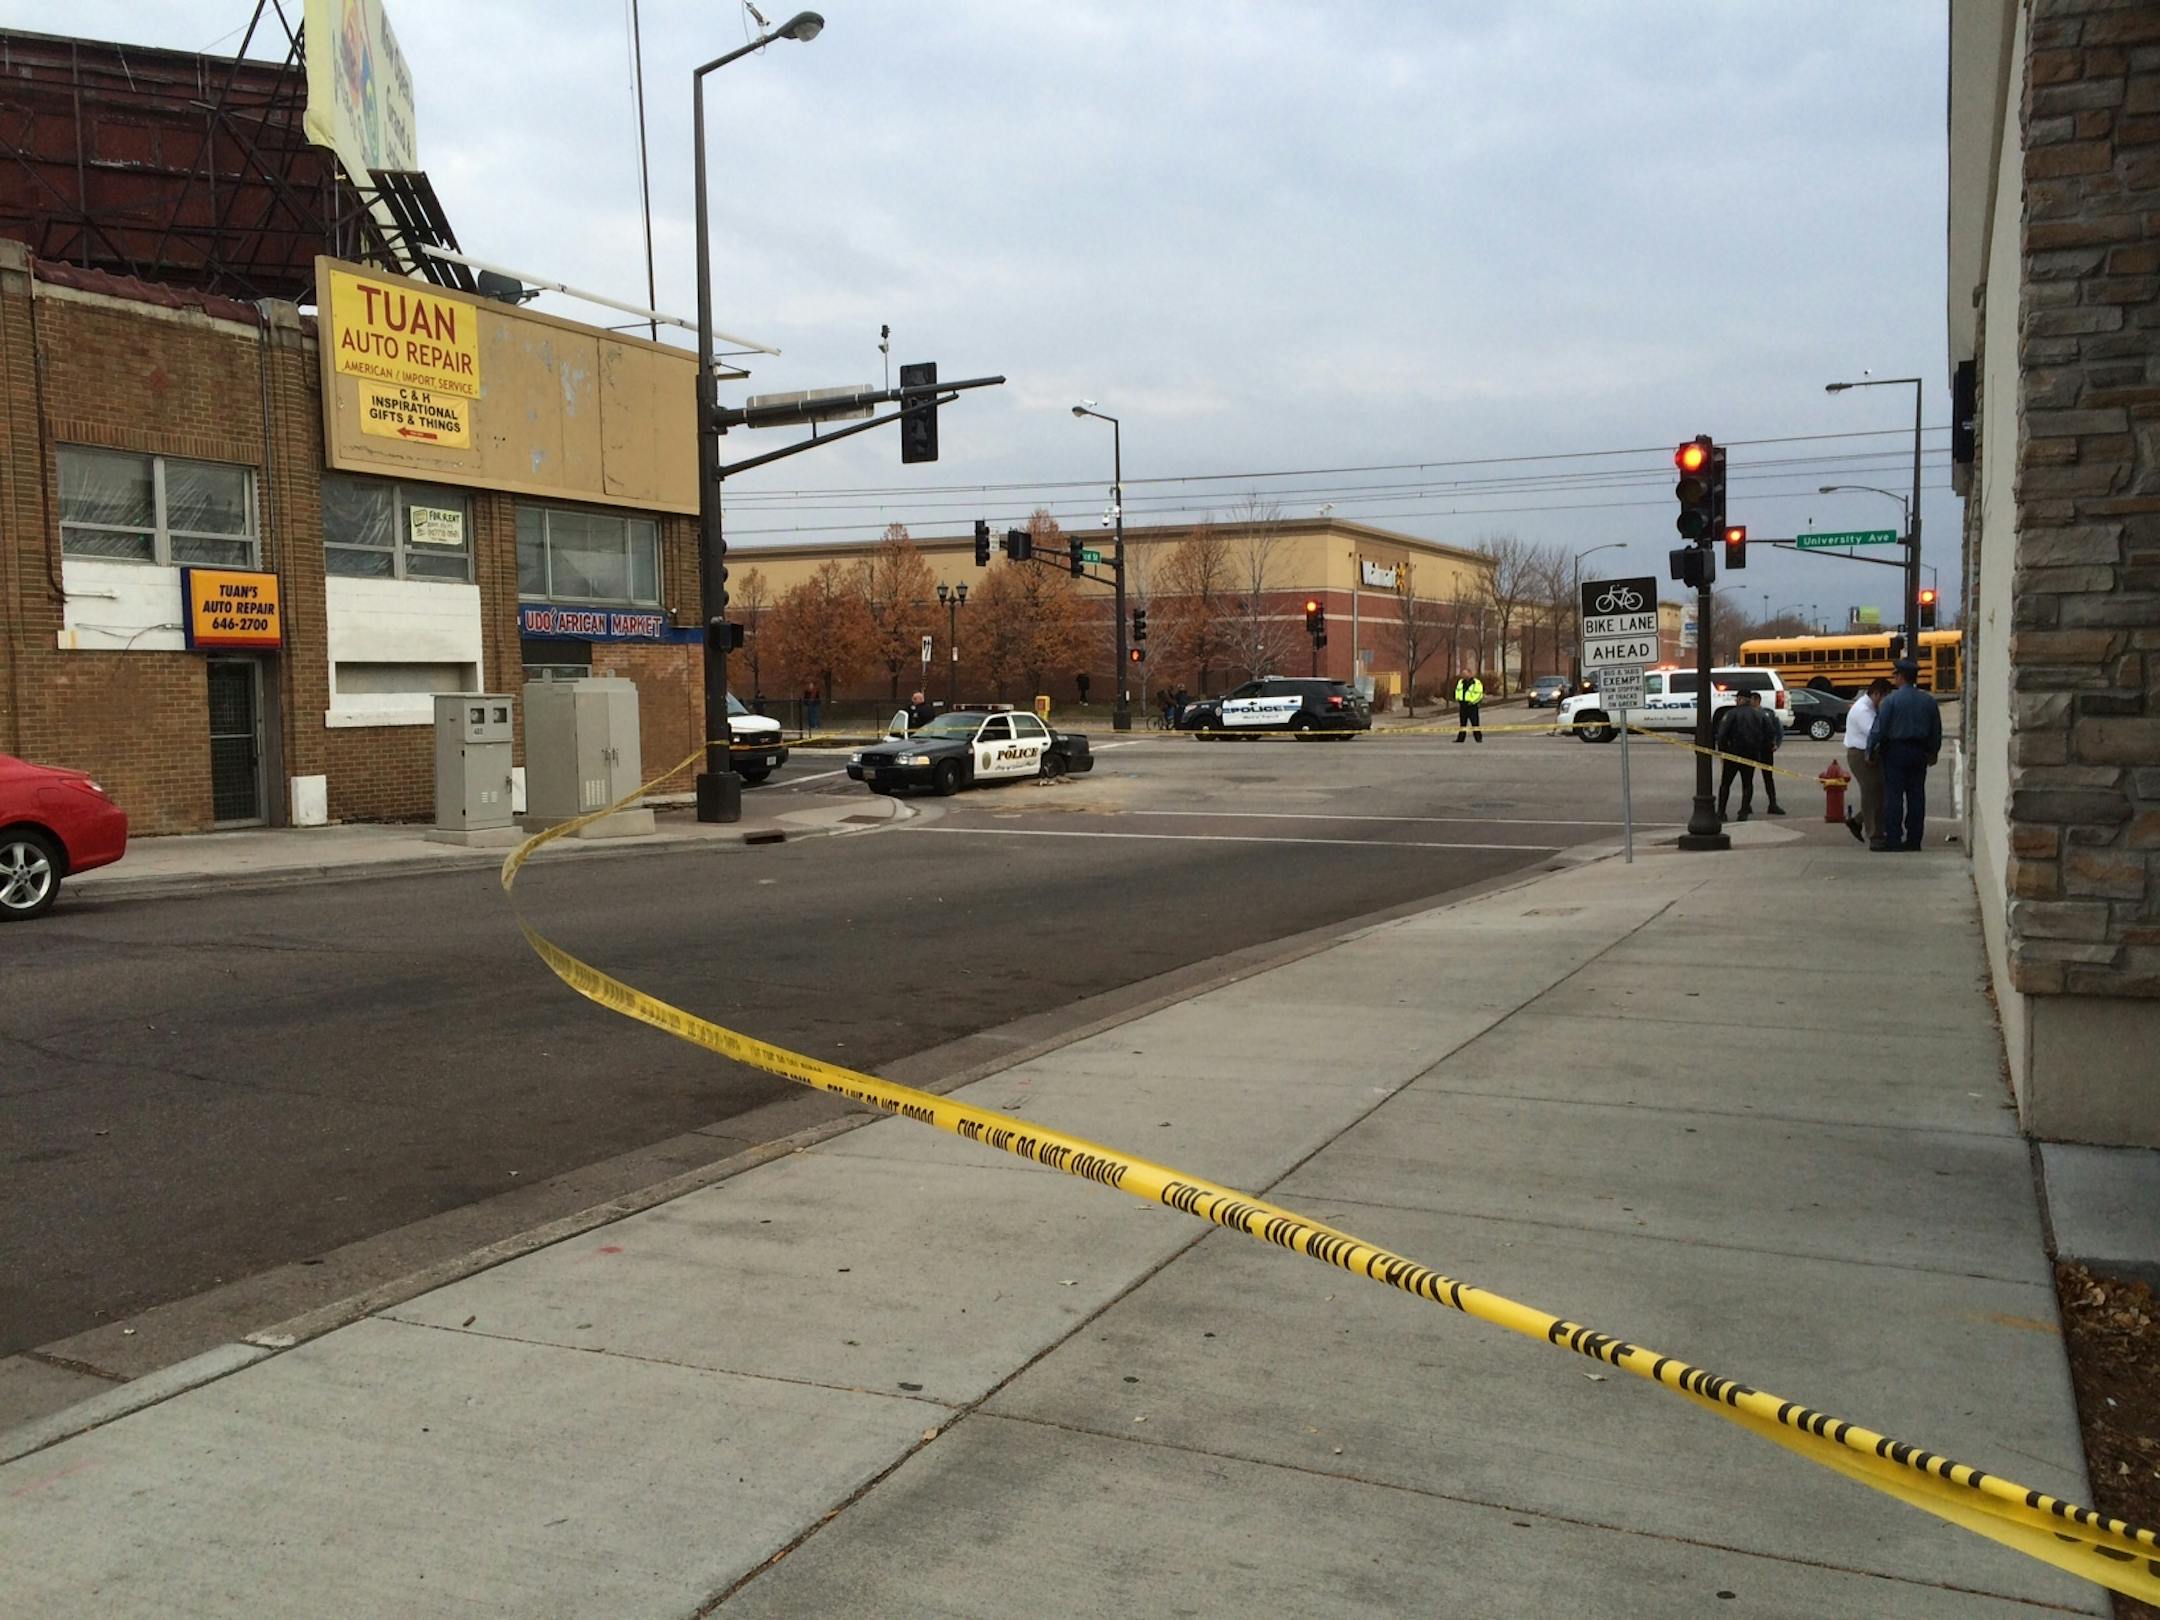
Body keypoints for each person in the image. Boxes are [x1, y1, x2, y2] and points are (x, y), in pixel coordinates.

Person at [1867, 658, 1943, 851]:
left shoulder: (1890, 701)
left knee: (1893, 797)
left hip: (1895, 752)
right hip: (1919, 752)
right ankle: (1914, 839)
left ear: (1900, 677)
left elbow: (1879, 729)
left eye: (1895, 675)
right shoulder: (1928, 701)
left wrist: (1870, 750)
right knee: (1916, 796)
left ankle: (1893, 839)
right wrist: (1933, 751)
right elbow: (1936, 730)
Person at [1842, 677, 1892, 846]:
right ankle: (1875, 835)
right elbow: (1874, 733)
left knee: (1879, 793)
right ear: (1876, 694)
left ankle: (1857, 821)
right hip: (1861, 754)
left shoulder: (1870, 707)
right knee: (1871, 792)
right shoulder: (1863, 710)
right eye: (1885, 697)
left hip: (1868, 753)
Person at [1751, 689, 1787, 816]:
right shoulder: (1749, 713)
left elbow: (1778, 730)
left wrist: (1777, 744)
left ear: (1757, 700)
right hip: (1755, 749)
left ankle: (1772, 803)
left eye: (1751, 700)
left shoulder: (1768, 713)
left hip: (1764, 749)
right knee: (1749, 778)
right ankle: (1747, 805)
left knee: (1767, 778)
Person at [1452, 670, 1484, 742]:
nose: (1463, 675)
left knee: (1475, 723)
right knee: (1462, 723)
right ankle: (1461, 738)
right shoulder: (1460, 682)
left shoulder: (1476, 683)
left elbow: (1479, 694)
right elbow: (1457, 691)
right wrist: (1458, 699)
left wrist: (1473, 702)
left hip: (1472, 706)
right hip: (1463, 705)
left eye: (1465, 674)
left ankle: (1478, 738)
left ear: (1470, 674)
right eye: (1462, 674)